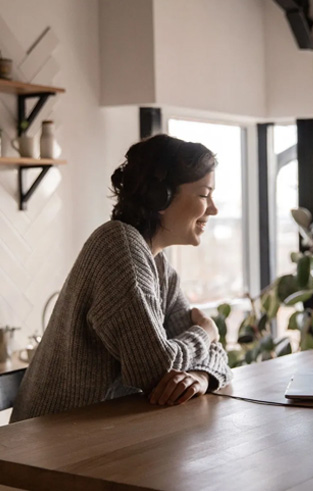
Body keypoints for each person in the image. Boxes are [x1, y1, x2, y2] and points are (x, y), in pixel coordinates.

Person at [10, 134, 233, 422]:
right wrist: (206, 332)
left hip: (96, 436)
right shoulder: (118, 246)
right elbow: (156, 370)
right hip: (45, 446)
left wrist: (201, 376)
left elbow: (215, 357)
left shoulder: (160, 265)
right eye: (204, 195)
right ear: (159, 197)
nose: (213, 209)